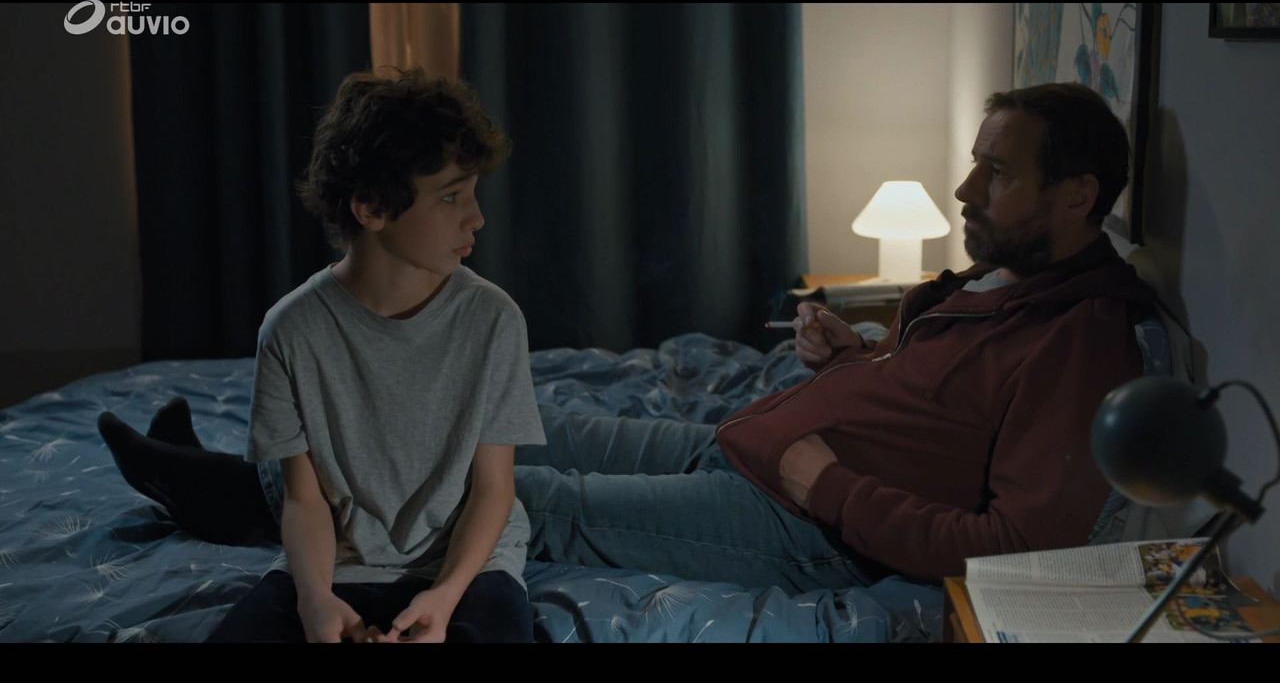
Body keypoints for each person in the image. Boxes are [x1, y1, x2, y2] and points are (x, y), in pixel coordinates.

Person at [101, 82, 1156, 606]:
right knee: (519, 424)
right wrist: (851, 362)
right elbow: (935, 410)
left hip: (799, 520)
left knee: (511, 496)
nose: (966, 189)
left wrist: (832, 487)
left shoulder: (1083, 348)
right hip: (741, 447)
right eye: (974, 163)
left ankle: (220, 494)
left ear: (1075, 195)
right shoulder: (1007, 288)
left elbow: (1013, 546)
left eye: (996, 173)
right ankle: (248, 461)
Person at [101, 67, 550, 643]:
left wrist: (443, 596)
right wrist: (314, 598)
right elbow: (303, 500)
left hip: (469, 568)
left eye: (472, 192)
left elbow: (494, 489)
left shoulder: (493, 319)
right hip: (336, 564)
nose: (477, 216)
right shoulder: (291, 329)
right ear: (371, 208)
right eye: (450, 196)